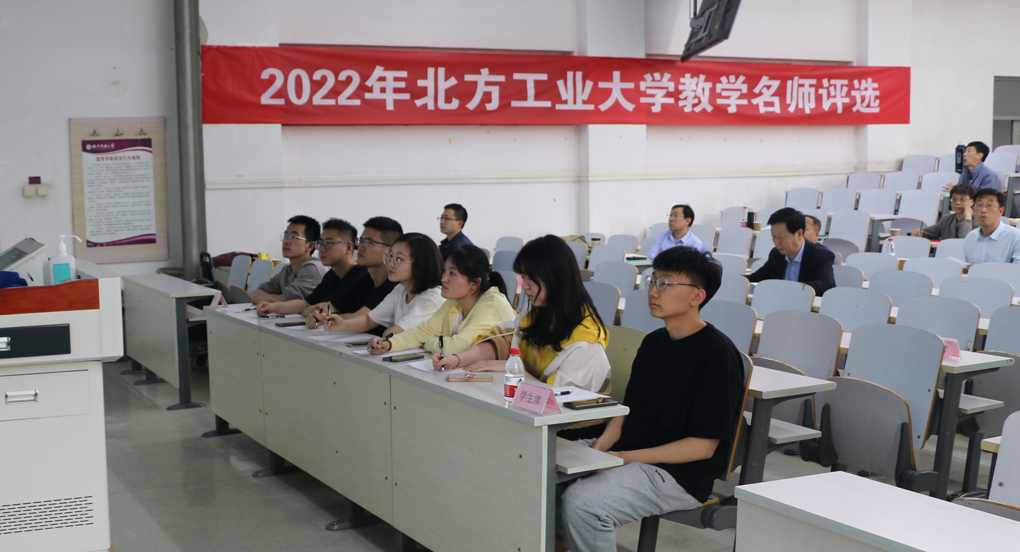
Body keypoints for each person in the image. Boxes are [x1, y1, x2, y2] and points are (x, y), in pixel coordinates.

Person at [558, 246, 745, 552]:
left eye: (665, 283)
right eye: (652, 281)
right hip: (631, 451)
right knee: (542, 468)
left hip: (678, 474)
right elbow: (626, 411)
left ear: (697, 296)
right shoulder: (653, 342)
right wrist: (601, 449)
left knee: (585, 503)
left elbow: (703, 446)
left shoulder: (717, 355)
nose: (654, 291)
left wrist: (625, 457)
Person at [432, 235, 610, 396]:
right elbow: (503, 340)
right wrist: (457, 359)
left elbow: (562, 398)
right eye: (523, 278)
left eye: (530, 278)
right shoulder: (535, 312)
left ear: (555, 278)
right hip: (531, 406)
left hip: (574, 419)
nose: (524, 286)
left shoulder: (584, 341)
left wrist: (514, 369)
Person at [369, 244, 515, 355]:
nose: (444, 278)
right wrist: (388, 344)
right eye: (445, 270)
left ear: (474, 284)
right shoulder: (454, 301)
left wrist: (427, 343)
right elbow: (423, 332)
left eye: (452, 273)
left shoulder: (492, 304)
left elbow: (456, 348)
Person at [316, 232, 445, 336]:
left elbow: (396, 334)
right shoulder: (400, 289)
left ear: (419, 265)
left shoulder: (432, 298)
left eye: (399, 259)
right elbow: (369, 320)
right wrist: (341, 324)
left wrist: (385, 336)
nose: (390, 263)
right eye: (390, 256)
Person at [256, 218, 366, 317]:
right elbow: (306, 304)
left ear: (348, 247)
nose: (322, 249)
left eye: (328, 243)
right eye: (321, 243)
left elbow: (323, 310)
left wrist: (312, 310)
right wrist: (272, 307)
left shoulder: (360, 277)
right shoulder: (332, 275)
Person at [748, 207, 835, 294]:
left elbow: (826, 286)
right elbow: (756, 277)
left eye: (781, 237)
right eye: (773, 237)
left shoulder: (821, 256)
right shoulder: (776, 254)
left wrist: (788, 288)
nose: (776, 242)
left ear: (799, 234)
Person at [251, 215, 325, 304]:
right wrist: (275, 298)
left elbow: (286, 301)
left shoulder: (313, 268)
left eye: (294, 237)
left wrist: (276, 299)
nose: (286, 241)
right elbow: (256, 294)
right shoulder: (287, 270)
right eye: (285, 236)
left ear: (310, 246)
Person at [963, 188, 1020, 264]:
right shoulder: (971, 237)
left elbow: (1017, 269)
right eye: (979, 205)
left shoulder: (1016, 237)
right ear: (974, 209)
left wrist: (982, 268)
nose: (983, 210)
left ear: (1000, 211)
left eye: (989, 205)